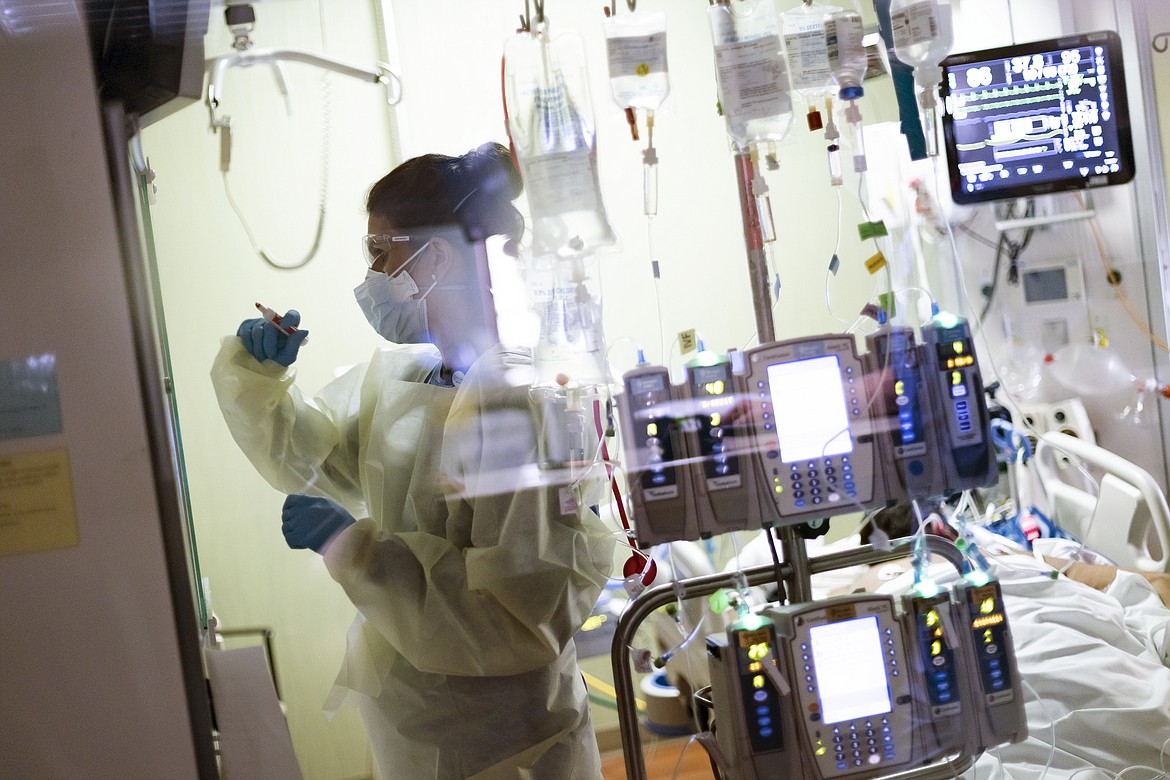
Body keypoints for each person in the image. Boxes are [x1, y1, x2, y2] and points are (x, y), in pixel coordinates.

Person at [211, 143, 615, 779]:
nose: (373, 273)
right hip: (413, 737)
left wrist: (359, 551)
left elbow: (514, 618)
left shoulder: (523, 403)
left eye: (383, 250)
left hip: (513, 753)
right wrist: (261, 378)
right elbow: (318, 466)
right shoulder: (411, 377)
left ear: (439, 254)